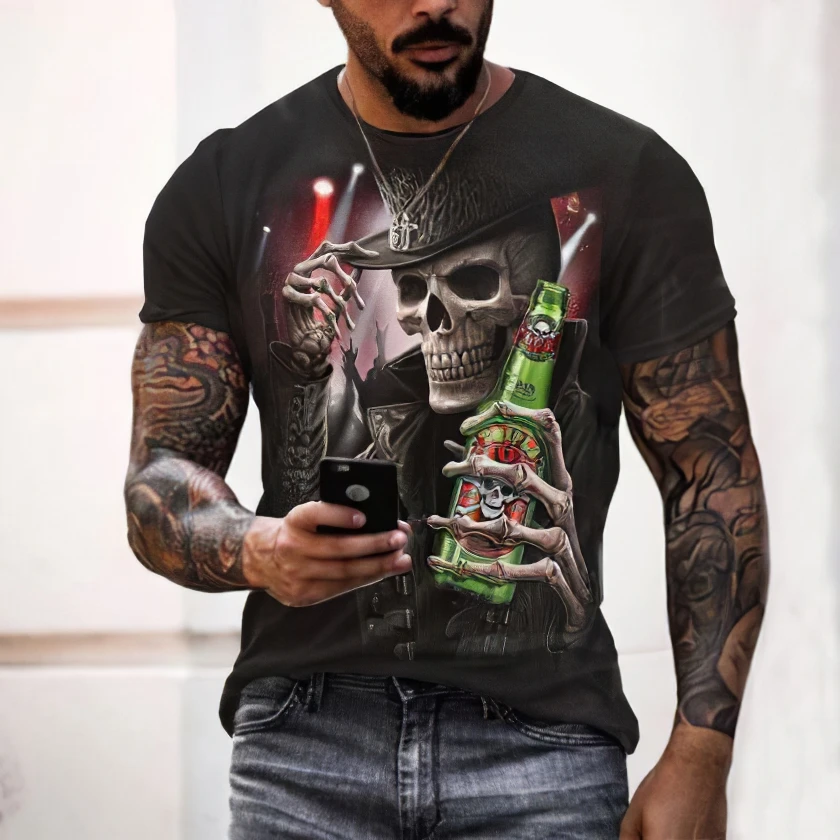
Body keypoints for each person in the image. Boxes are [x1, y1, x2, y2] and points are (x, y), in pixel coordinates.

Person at [125, 1, 769, 837]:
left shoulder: (629, 173)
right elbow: (161, 477)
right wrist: (260, 548)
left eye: (473, 285)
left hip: (544, 752)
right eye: (417, 296)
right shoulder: (226, 183)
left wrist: (702, 754)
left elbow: (710, 475)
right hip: (305, 748)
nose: (434, 2)